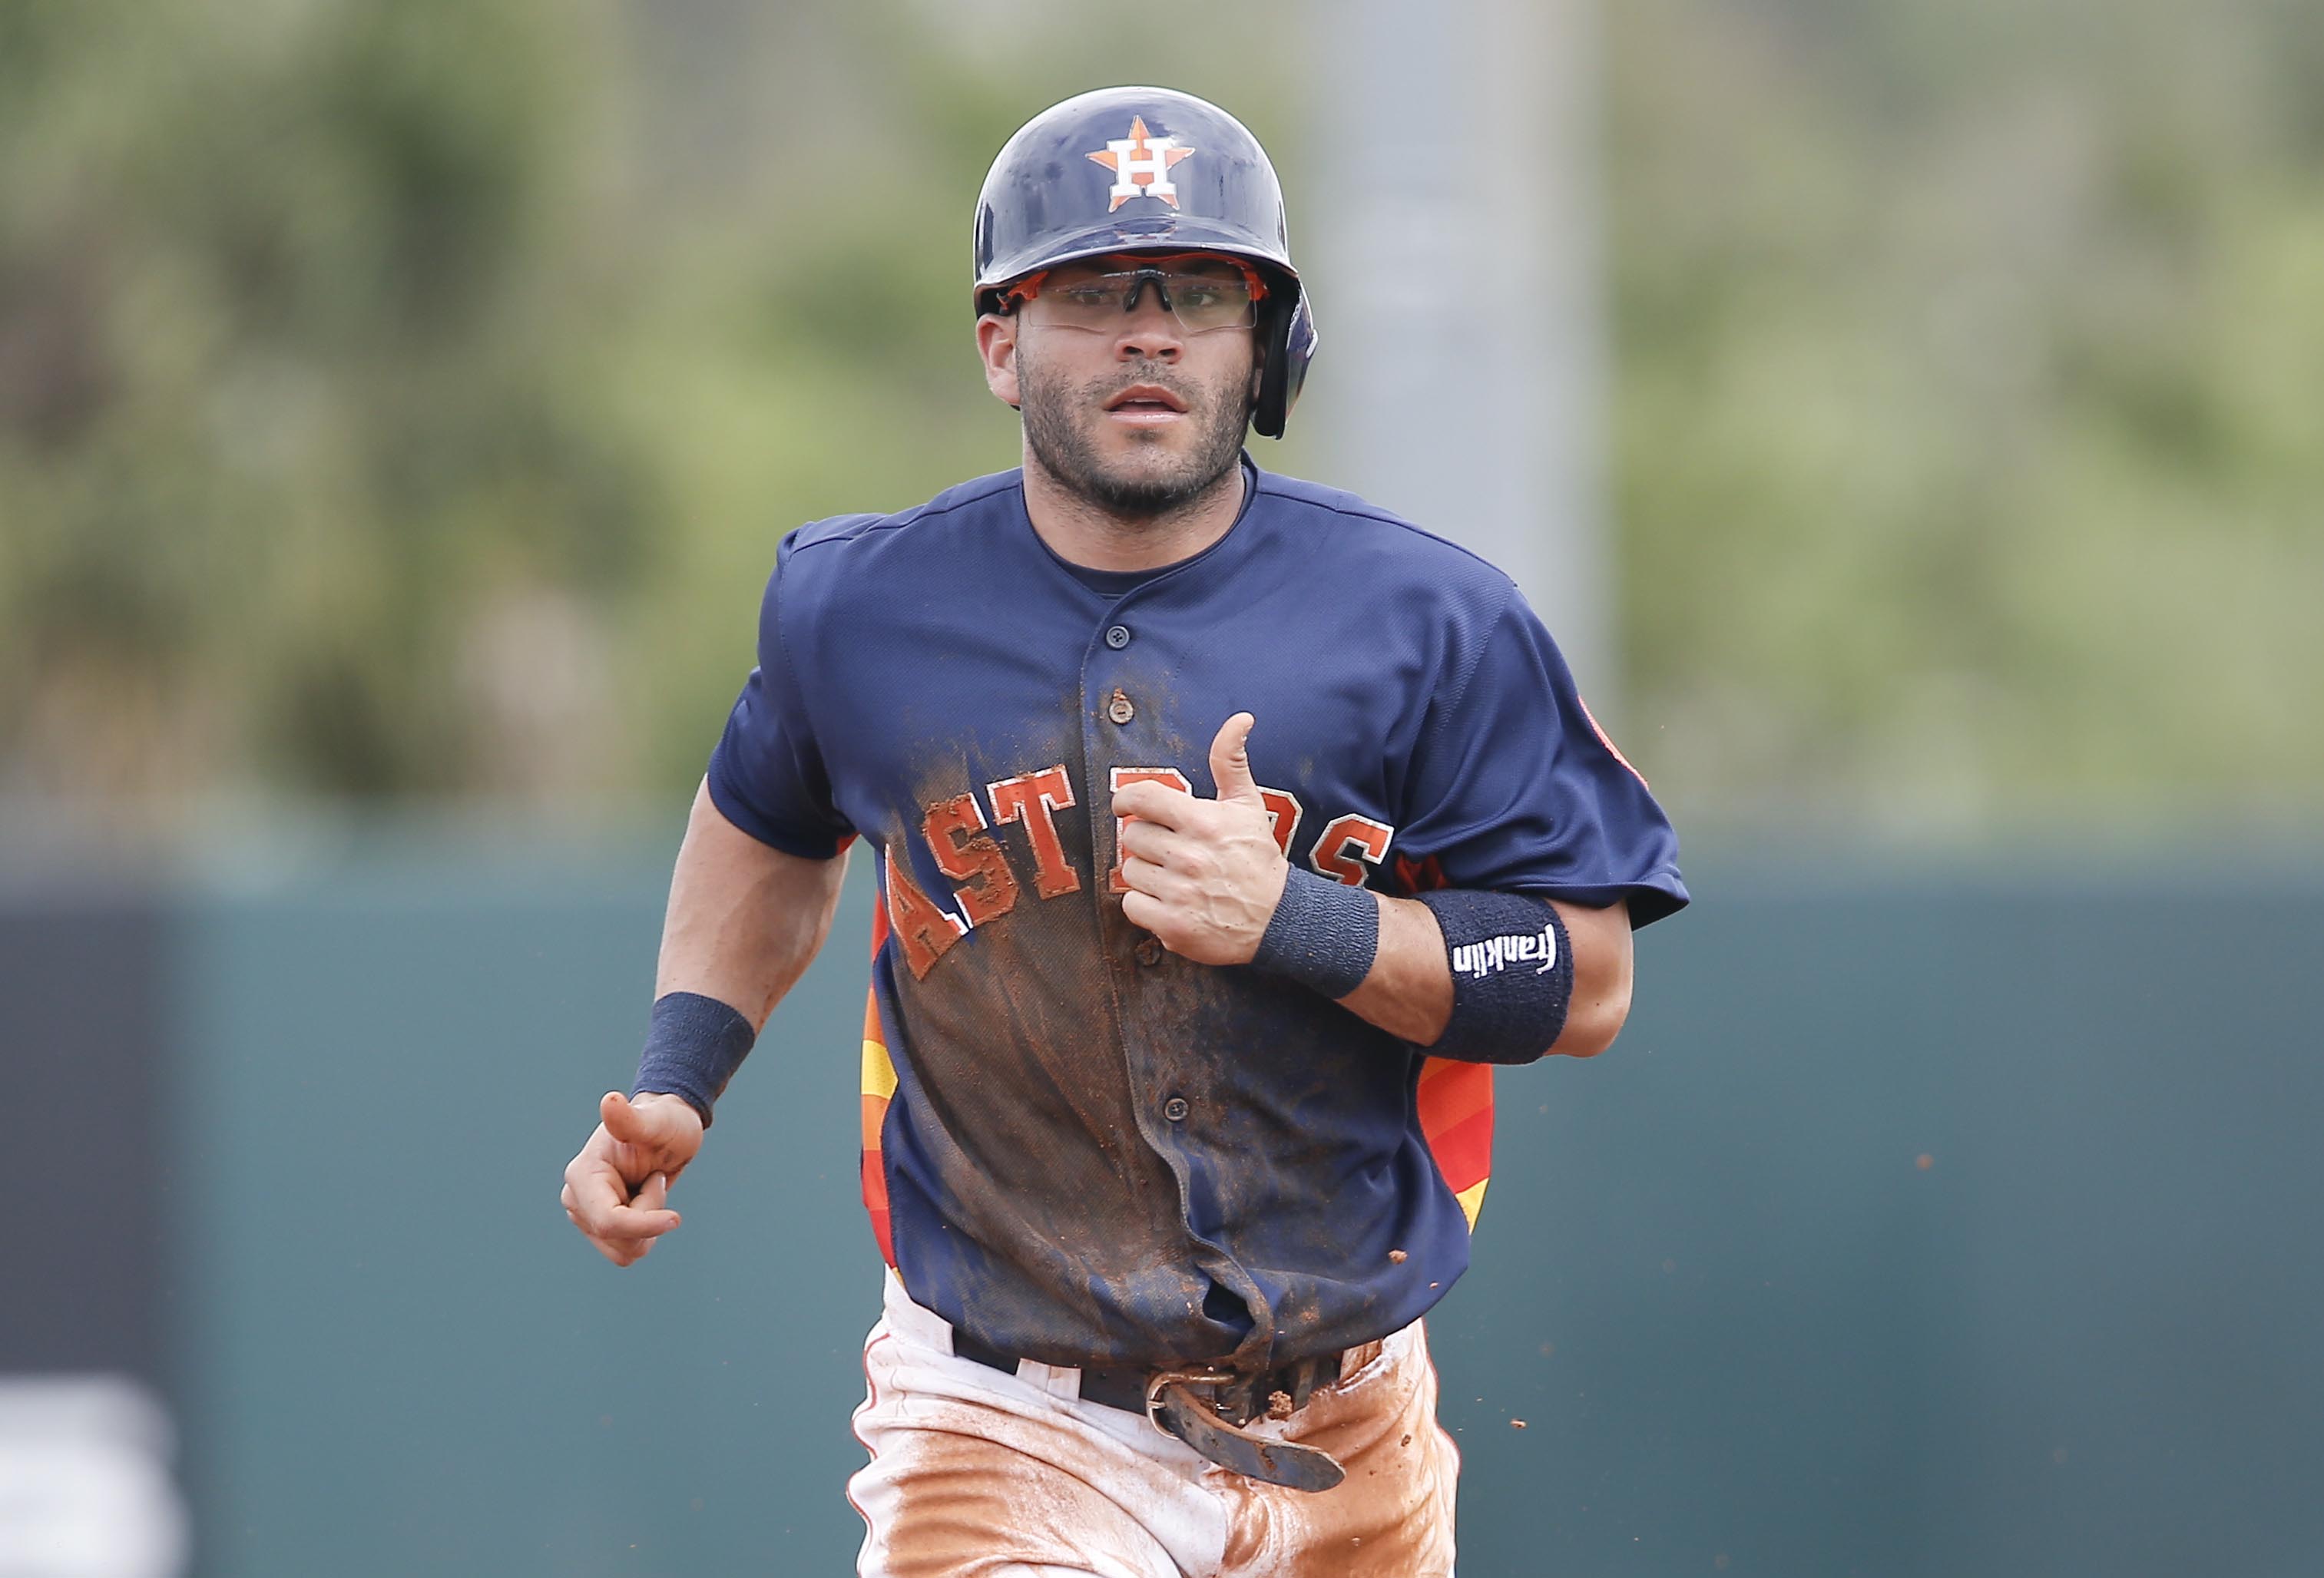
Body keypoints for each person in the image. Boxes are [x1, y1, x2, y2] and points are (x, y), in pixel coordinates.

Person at [560, 85, 1687, 1577]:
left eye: (1199, 294)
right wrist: (680, 1067)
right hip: (1004, 1415)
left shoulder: (1431, 622)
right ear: (998, 344)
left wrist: (1302, 916)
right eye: (1093, 293)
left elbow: (1585, 975)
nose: (1148, 331)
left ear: (1264, 346)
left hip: (1351, 1429)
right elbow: (768, 821)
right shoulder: (862, 610)